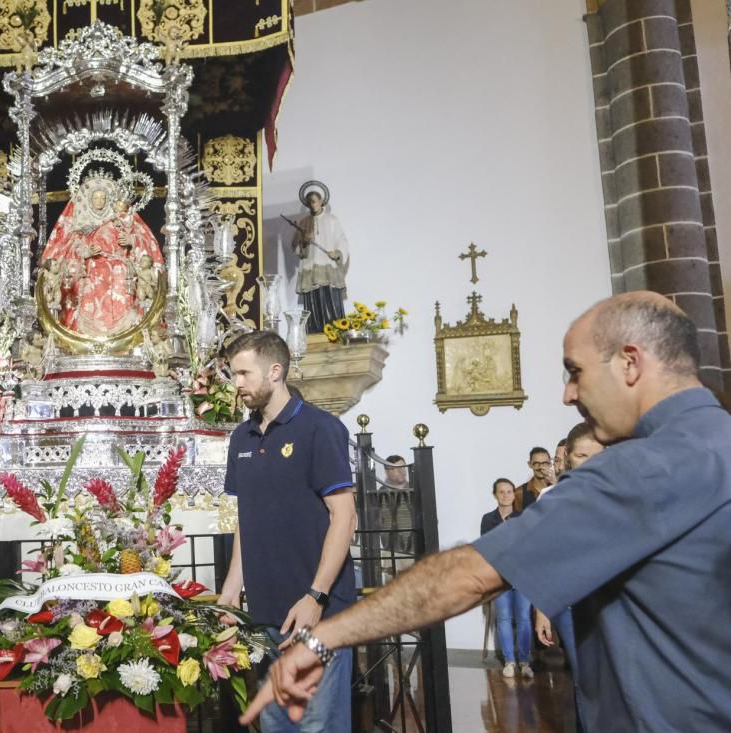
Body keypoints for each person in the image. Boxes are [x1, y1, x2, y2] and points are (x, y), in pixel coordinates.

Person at [239, 292, 731, 732]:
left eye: (575, 371)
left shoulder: (647, 468)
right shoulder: (714, 443)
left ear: (630, 363)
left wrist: (322, 636)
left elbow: (472, 576)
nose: (568, 393)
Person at [218, 330, 357, 732]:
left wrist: (316, 595)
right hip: (266, 618)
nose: (237, 383)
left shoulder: (320, 428)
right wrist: (230, 592)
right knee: (278, 726)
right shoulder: (240, 438)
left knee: (318, 726)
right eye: (233, 374)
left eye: (244, 373)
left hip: (319, 615)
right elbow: (248, 521)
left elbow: (343, 517)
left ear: (275, 371)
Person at [40, 171, 163, 336]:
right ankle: (92, 339)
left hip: (119, 270)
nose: (99, 201)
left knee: (123, 292)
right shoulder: (82, 224)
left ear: (109, 200)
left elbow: (146, 240)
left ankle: (123, 338)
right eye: (96, 198)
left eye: (103, 198)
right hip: (94, 271)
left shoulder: (121, 219)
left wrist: (132, 241)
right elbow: (72, 247)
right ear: (89, 200)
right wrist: (87, 252)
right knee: (89, 299)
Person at [533, 422, 604, 675]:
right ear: (568, 458)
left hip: (609, 601)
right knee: (581, 675)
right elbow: (545, 557)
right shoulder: (552, 498)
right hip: (569, 601)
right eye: (581, 455)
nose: (588, 462)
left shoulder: (619, 492)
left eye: (595, 455)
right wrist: (542, 611)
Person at [480, 478, 532, 679]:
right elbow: (486, 546)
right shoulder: (488, 519)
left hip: (521, 575)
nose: (506, 495)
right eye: (501, 492)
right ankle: (510, 661)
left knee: (524, 619)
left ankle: (525, 661)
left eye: (509, 491)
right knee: (503, 618)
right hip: (499, 576)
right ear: (495, 495)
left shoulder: (523, 517)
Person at [290, 186, 350, 334]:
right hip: (310, 267)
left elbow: (342, 240)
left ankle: (335, 329)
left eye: (315, 202)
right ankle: (315, 331)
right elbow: (296, 248)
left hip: (328, 266)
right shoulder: (304, 223)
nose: (313, 205)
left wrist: (337, 252)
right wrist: (304, 242)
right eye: (310, 202)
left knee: (330, 299)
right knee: (313, 301)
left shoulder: (331, 220)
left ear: (321, 201)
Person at [513, 446, 554, 512]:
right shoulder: (519, 493)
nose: (540, 467)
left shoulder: (557, 488)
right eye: (536, 463)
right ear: (530, 464)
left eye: (544, 463)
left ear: (550, 464)